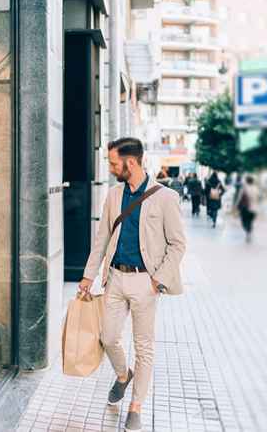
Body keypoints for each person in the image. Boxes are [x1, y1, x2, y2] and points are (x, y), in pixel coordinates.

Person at [78, 137, 186, 432]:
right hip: (114, 278)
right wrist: (89, 275)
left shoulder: (165, 197)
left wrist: (157, 281)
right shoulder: (113, 195)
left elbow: (177, 244)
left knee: (144, 348)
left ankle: (136, 407)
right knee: (108, 337)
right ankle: (123, 376)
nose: (111, 168)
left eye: (114, 163)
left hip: (145, 283)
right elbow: (102, 238)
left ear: (131, 162)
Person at [234, 175, 260, 243]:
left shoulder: (244, 189)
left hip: (245, 208)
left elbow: (239, 198)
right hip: (254, 208)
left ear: (247, 181)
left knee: (244, 222)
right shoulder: (256, 188)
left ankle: (248, 232)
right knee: (250, 222)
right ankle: (249, 233)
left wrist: (236, 206)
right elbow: (259, 198)